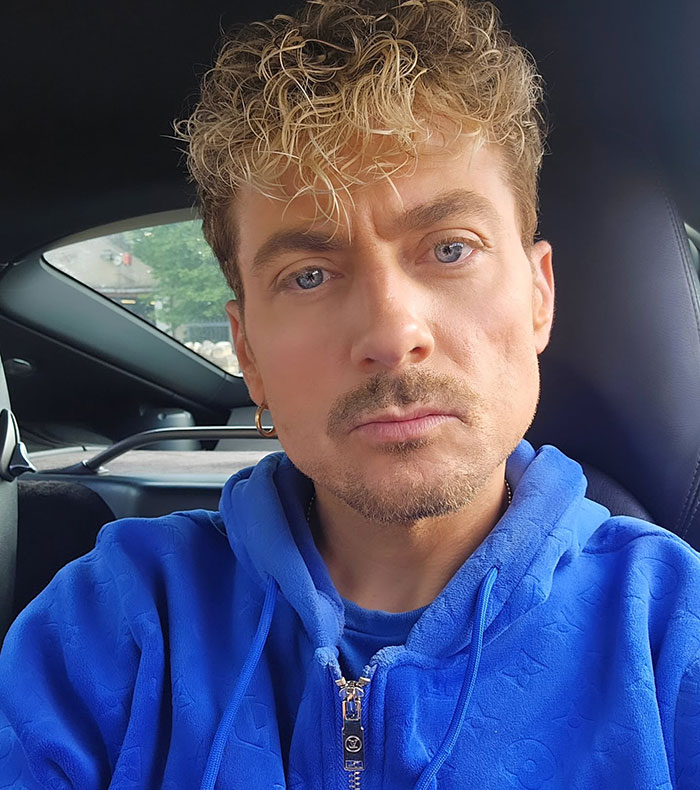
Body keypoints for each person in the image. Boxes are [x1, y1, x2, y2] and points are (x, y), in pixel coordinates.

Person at [1, 0, 699, 787]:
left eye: (448, 248)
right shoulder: (108, 626)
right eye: (308, 275)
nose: (392, 330)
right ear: (248, 353)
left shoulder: (673, 631)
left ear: (539, 297)